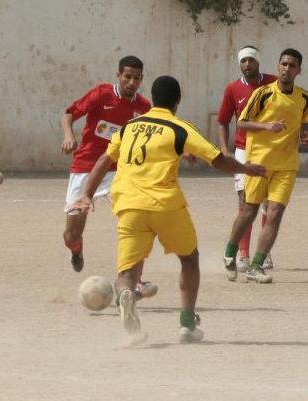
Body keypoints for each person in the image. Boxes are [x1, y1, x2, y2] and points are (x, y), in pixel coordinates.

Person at [70, 76, 265, 344]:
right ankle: (186, 322)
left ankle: (126, 297)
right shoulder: (178, 127)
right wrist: (246, 168)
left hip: (128, 205)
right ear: (178, 101)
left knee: (126, 274)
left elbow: (105, 159)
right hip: (165, 204)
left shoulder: (129, 127)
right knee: (189, 258)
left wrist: (86, 195)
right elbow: (218, 160)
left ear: (153, 96)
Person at [60, 56, 158, 297]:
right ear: (118, 75)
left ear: (141, 79)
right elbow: (68, 114)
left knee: (136, 221)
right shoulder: (101, 94)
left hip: (119, 172)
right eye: (127, 77)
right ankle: (76, 249)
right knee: (71, 233)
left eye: (136, 78)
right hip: (86, 168)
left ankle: (135, 281)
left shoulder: (144, 107)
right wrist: (68, 136)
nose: (131, 82)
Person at [223, 48, 308, 284]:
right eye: (283, 64)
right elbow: (242, 123)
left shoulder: (303, 98)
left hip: (287, 165)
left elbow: (304, 126)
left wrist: (304, 137)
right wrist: (266, 126)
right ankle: (230, 251)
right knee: (249, 211)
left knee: (275, 213)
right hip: (259, 163)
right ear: (278, 65)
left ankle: (256, 265)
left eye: (292, 66)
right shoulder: (263, 94)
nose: (286, 69)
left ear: (299, 70)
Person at [217, 45, 277, 273]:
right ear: (239, 64)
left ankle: (265, 252)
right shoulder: (233, 89)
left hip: (271, 150)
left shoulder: (273, 84)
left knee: (270, 204)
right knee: (245, 203)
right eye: (243, 61)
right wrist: (224, 148)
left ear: (258, 62)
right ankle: (242, 254)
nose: (247, 65)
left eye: (251, 60)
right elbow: (223, 120)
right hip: (244, 150)